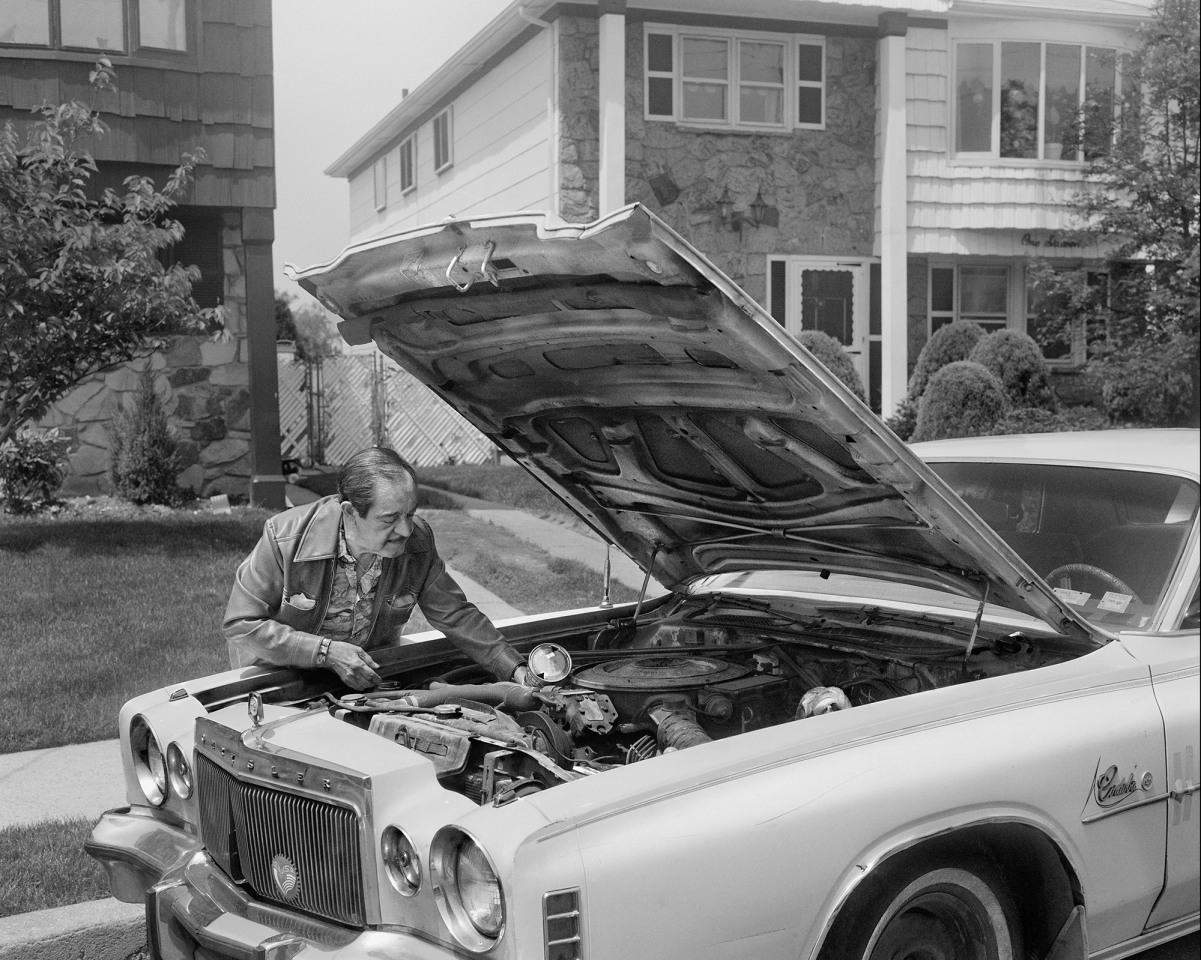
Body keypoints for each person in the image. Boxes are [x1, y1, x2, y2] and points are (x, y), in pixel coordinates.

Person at [223, 446, 534, 690]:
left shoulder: (418, 542)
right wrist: (326, 652)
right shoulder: (284, 538)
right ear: (349, 512)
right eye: (390, 518)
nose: (406, 530)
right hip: (280, 683)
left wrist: (515, 668)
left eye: (411, 514)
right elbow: (240, 623)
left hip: (366, 681)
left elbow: (456, 614)